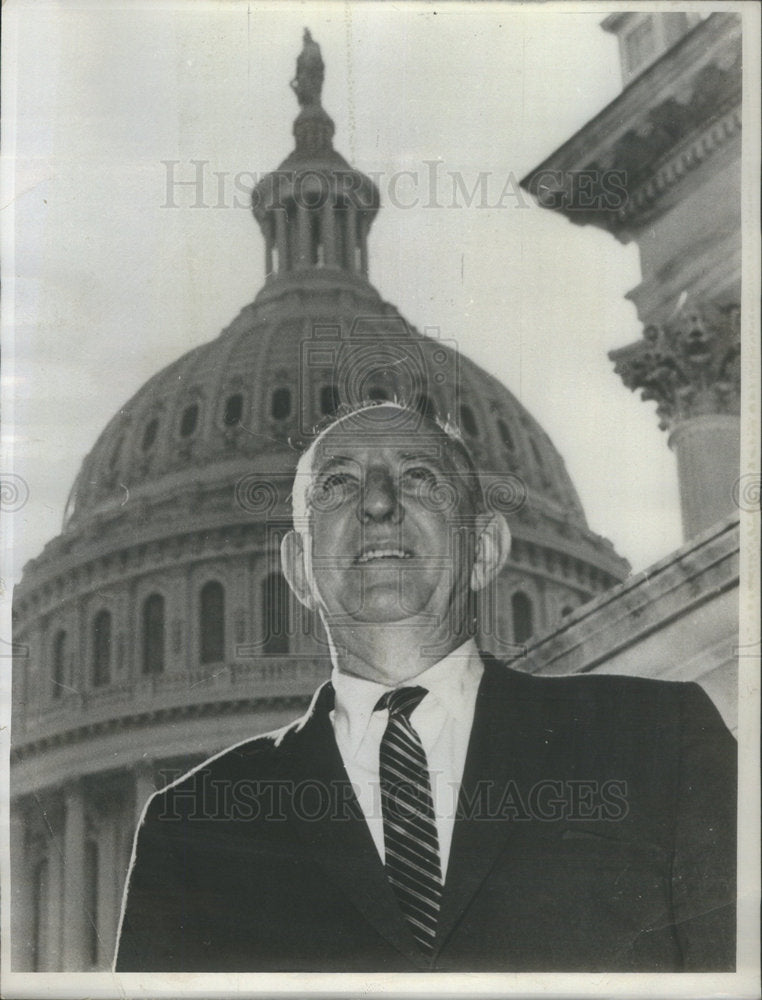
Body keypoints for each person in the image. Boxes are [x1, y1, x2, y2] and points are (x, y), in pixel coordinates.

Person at [114, 402, 736, 972]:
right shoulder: (189, 826)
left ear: (486, 549)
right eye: (338, 484)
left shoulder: (660, 737)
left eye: (419, 477)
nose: (378, 504)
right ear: (298, 570)